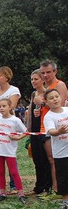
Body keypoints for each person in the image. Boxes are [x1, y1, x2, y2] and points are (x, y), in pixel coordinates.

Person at [39, 59, 67, 201]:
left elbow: (61, 105)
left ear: (55, 72)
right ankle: (55, 190)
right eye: (42, 73)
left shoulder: (59, 85)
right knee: (50, 162)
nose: (45, 75)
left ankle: (56, 190)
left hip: (59, 133)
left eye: (48, 72)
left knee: (54, 162)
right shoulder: (43, 87)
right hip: (47, 130)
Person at [0, 98, 28, 203]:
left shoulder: (15, 120)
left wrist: (17, 138)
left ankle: (21, 194)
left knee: (14, 172)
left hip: (9, 151)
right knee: (0, 172)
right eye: (0, 106)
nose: (1, 108)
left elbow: (25, 132)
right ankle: (2, 193)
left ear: (10, 107)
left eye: (4, 106)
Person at [26, 69, 52, 196]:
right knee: (36, 158)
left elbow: (54, 107)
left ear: (42, 80)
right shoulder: (33, 94)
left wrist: (42, 103)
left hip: (45, 130)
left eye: (36, 79)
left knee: (45, 158)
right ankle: (39, 185)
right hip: (34, 130)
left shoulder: (48, 93)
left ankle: (48, 186)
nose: (33, 82)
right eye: (32, 79)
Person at [42, 88, 68, 209]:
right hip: (61, 153)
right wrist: (59, 131)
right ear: (46, 102)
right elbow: (51, 131)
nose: (55, 99)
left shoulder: (67, 111)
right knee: (63, 176)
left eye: (56, 96)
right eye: (51, 98)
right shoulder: (49, 116)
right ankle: (66, 200)